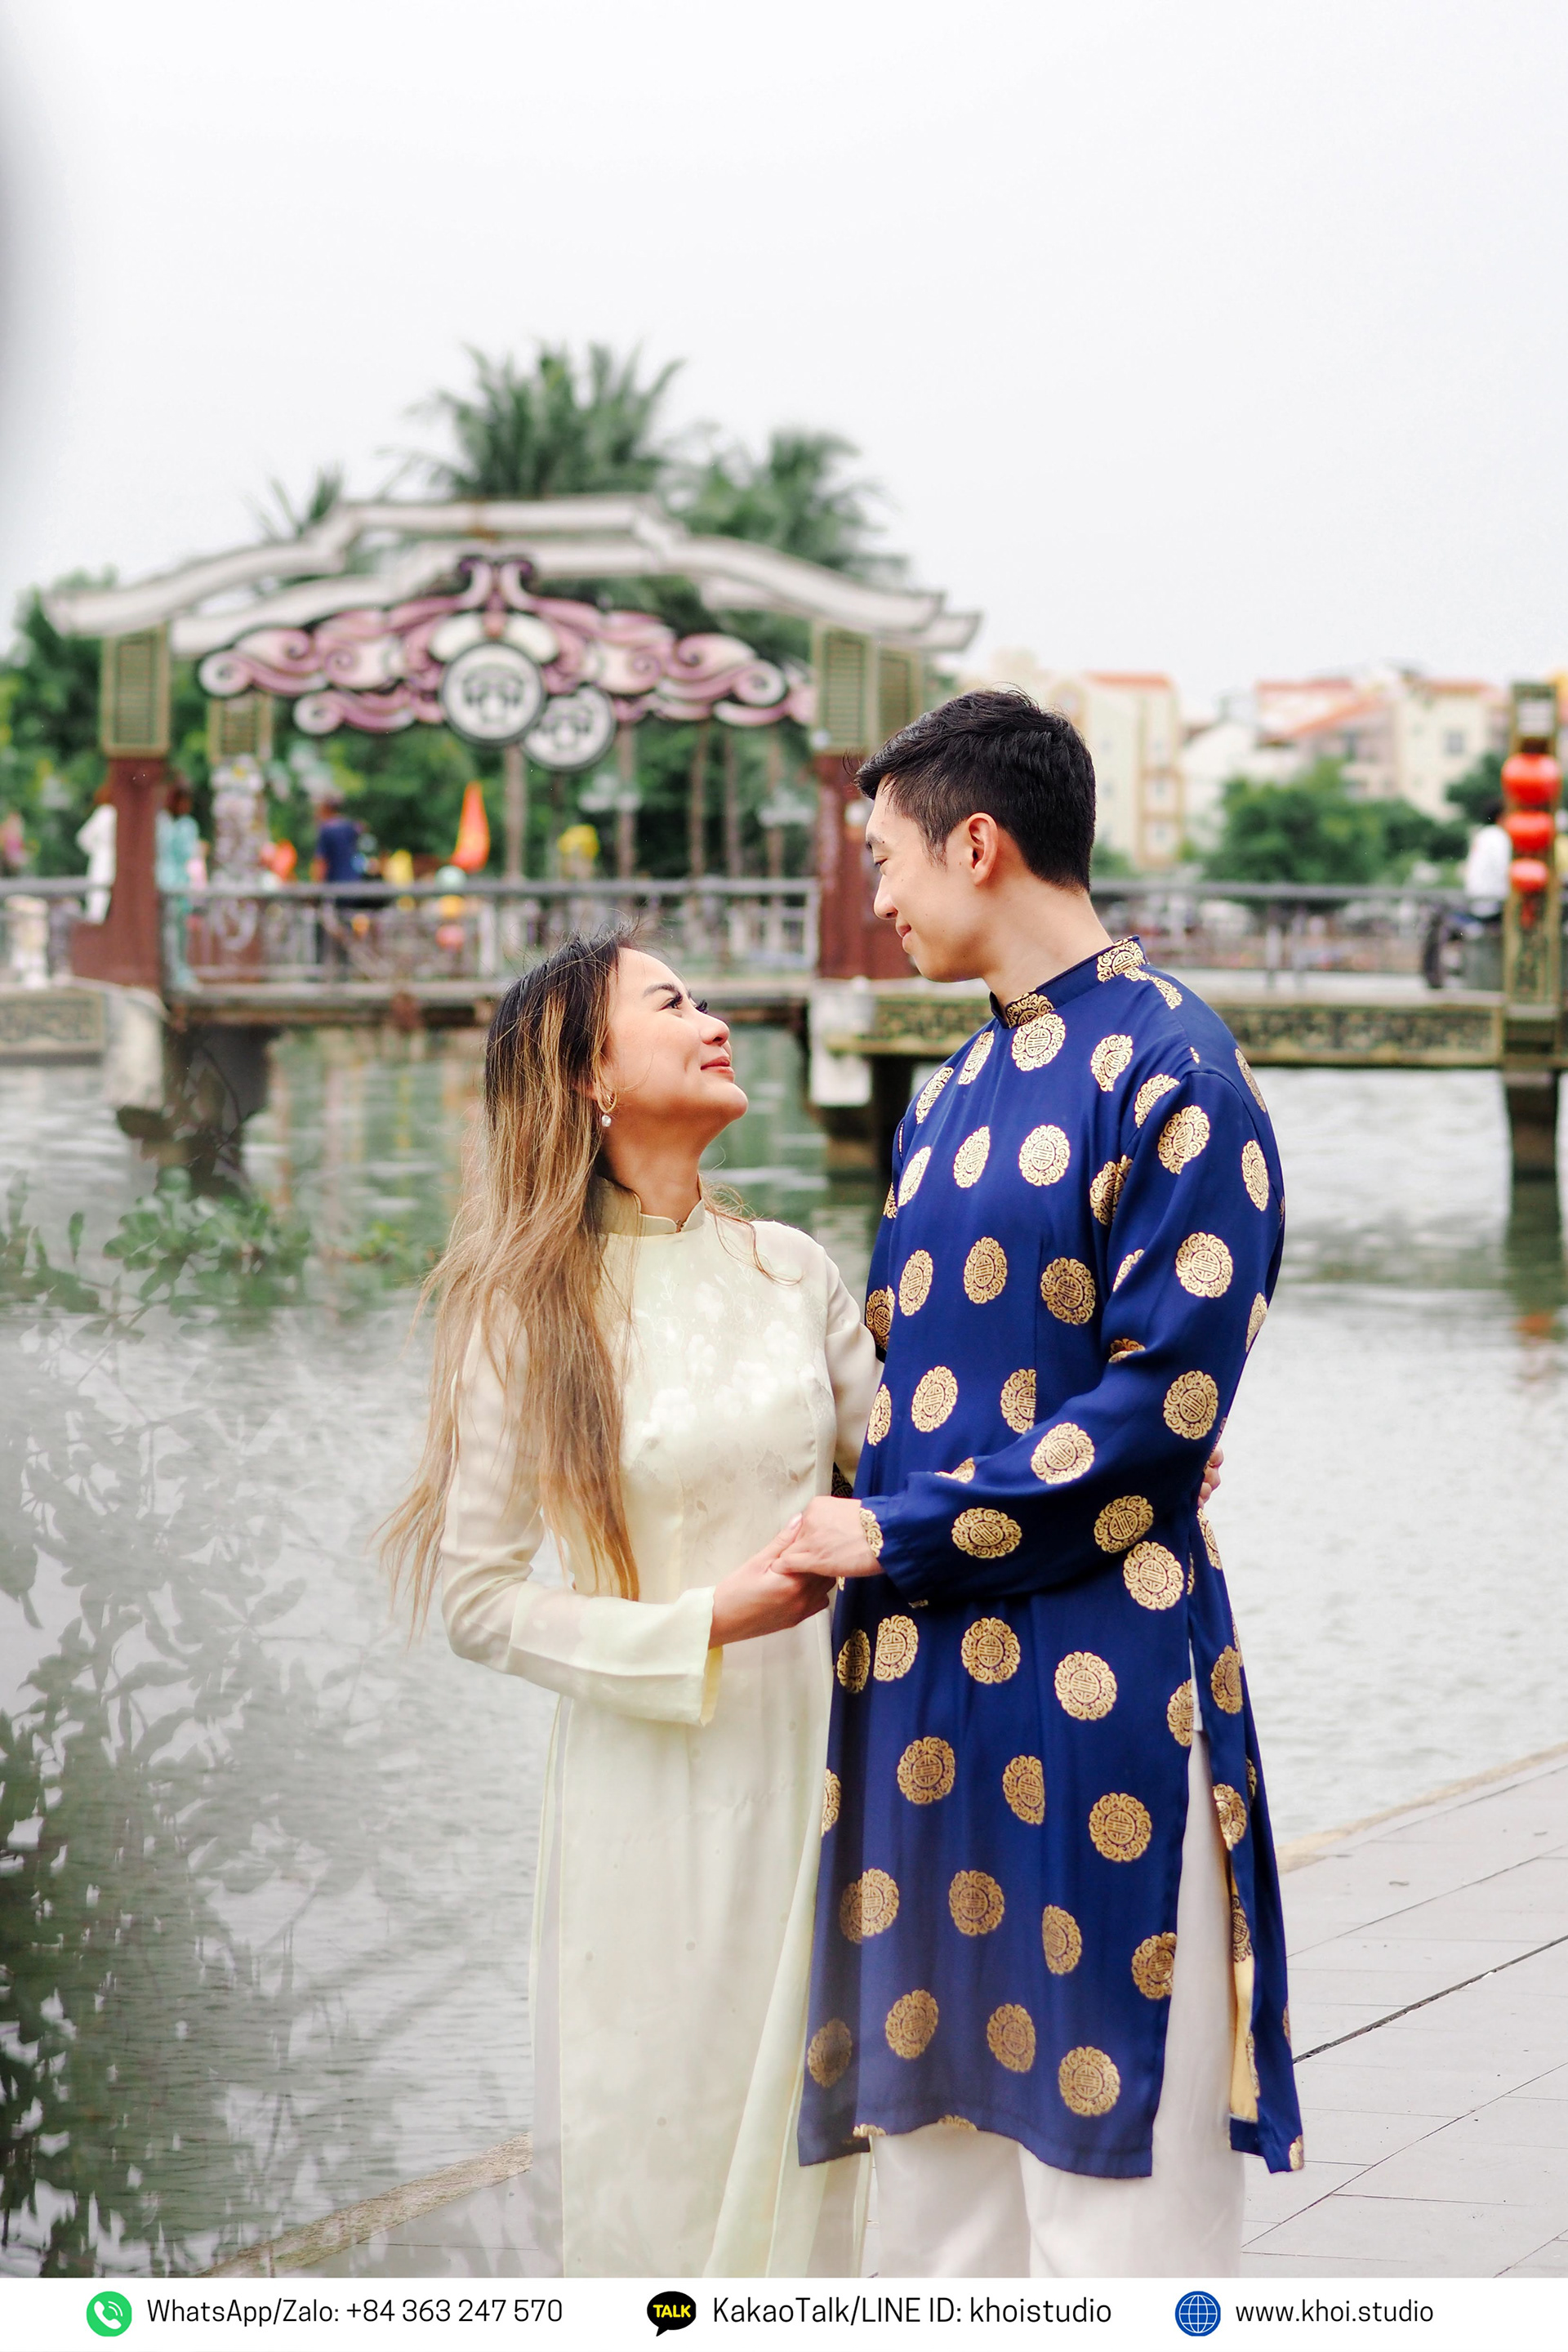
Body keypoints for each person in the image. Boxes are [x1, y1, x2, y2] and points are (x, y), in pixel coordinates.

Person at [782, 689, 1302, 2278]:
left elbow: (1159, 1409)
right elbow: (899, 1385)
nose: (876, 897)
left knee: (1119, 2220)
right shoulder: (945, 1096)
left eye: (886, 858)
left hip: (1101, 1689)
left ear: (979, 844)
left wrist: (897, 1530)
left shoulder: (1177, 1066)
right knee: (935, 2221)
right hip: (923, 1686)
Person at [381, 932, 879, 2278]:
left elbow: (920, 1481)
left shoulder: (792, 1270)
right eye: (673, 1003)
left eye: (707, 998)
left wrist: (1095, 1459)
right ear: (591, 1075)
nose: (715, 1021)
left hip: (824, 1776)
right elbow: (480, 1601)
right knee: (660, 2152)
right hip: (646, 1798)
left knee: (826, 2175)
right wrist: (703, 1620)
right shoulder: (525, 1310)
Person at [155, 780, 202, 989]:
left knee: (179, 933)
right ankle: (174, 974)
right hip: (168, 883)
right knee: (170, 933)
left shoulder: (182, 825)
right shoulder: (166, 823)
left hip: (178, 884)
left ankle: (179, 972)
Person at [76, 784, 117, 924]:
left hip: (109, 859)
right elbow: (84, 837)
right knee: (98, 899)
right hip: (104, 860)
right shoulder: (106, 812)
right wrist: (99, 851)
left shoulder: (110, 812)